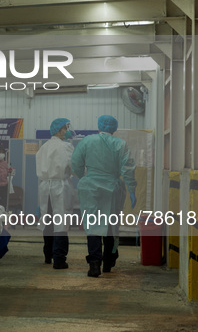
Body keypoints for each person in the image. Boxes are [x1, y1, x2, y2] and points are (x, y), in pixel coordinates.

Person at [71, 115, 137, 277]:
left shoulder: (87, 141)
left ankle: (94, 265)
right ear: (114, 128)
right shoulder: (121, 144)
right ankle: (108, 262)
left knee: (92, 225)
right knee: (110, 226)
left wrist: (84, 177)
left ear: (99, 126)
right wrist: (132, 189)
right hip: (112, 188)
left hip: (90, 188)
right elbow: (128, 168)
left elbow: (75, 163)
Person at [36, 118, 75, 269]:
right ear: (59, 130)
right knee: (61, 222)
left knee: (48, 221)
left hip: (45, 187)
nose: (67, 131)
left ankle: (48, 255)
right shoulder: (66, 147)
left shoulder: (43, 148)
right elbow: (73, 167)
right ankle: (59, 259)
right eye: (65, 129)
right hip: (60, 186)